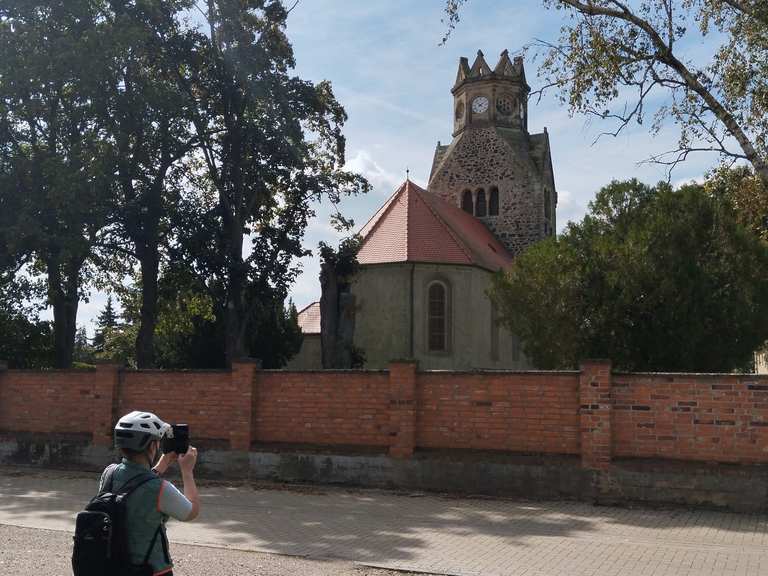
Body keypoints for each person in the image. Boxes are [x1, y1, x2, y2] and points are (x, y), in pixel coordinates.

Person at [102, 411, 201, 576]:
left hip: (113, 565)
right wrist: (187, 472)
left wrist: (163, 462)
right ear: (152, 446)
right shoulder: (160, 488)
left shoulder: (109, 474)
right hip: (150, 570)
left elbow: (136, 485)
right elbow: (191, 512)